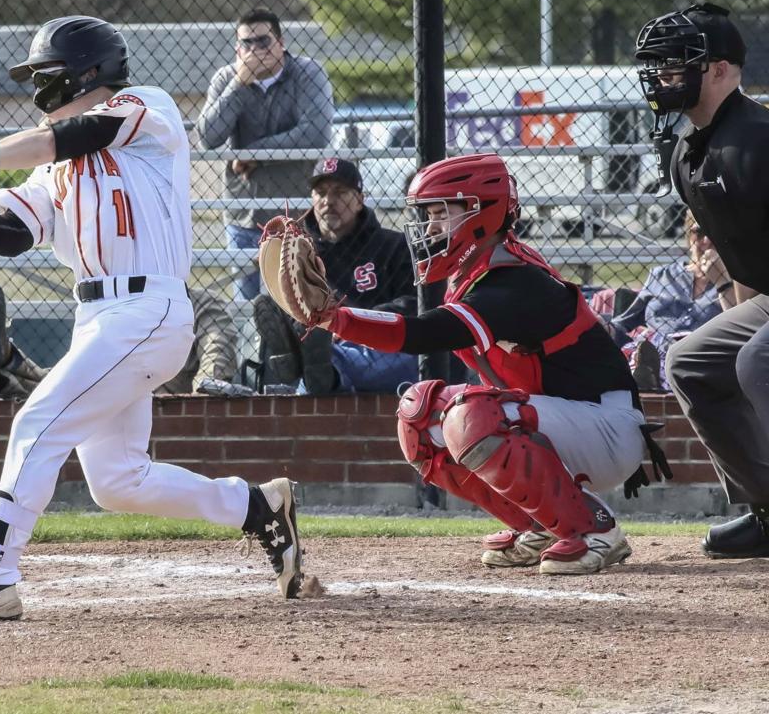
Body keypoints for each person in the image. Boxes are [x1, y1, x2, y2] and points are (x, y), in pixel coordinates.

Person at [0, 15, 305, 623]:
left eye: (48, 77)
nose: (38, 91)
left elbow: (73, 136)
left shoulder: (144, 109)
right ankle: (257, 508)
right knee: (116, 480)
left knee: (36, 424)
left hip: (148, 309)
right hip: (99, 317)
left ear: (87, 73)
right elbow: (7, 235)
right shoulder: (52, 168)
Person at [306, 153, 648, 574]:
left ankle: (592, 530)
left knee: (472, 417)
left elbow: (419, 334)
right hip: (565, 421)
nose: (429, 228)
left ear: (479, 213)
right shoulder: (475, 275)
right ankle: (541, 523)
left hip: (608, 426)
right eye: (427, 216)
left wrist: (334, 317)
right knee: (419, 415)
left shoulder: (512, 280)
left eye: (438, 214)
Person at [635, 1, 769, 558]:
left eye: (676, 64)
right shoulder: (688, 155)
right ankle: (767, 511)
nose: (663, 77)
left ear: (720, 70)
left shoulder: (757, 140)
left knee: (759, 360)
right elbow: (748, 265)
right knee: (691, 360)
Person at [196, 8, 334, 300]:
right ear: (237, 48)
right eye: (247, 43)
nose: (256, 49)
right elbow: (208, 137)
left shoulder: (308, 73)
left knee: (296, 302)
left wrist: (255, 153)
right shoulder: (226, 80)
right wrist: (238, 84)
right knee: (247, 307)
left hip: (296, 213)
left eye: (263, 41)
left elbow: (316, 133)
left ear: (281, 42)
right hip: (244, 214)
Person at [253, 157, 418, 394]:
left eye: (340, 192)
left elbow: (414, 303)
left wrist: (351, 324)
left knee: (332, 361)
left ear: (360, 200)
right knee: (282, 308)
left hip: (377, 344)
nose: (328, 201)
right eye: (320, 193)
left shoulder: (394, 245)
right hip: (319, 346)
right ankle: (313, 365)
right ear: (312, 199)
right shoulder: (298, 255)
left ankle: (318, 369)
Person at [0, 283, 248, 397]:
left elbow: (217, 343)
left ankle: (2, 371)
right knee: (66, 384)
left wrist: (206, 386)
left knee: (63, 390)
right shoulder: (123, 302)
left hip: (167, 399)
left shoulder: (201, 303)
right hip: (112, 390)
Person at [608, 210, 725, 391]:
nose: (707, 241)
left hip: (702, 355)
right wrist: (603, 326)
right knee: (639, 352)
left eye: (714, 233)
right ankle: (646, 373)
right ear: (688, 235)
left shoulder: (734, 282)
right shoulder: (662, 276)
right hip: (654, 349)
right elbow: (625, 322)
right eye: (699, 232)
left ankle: (651, 377)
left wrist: (721, 279)